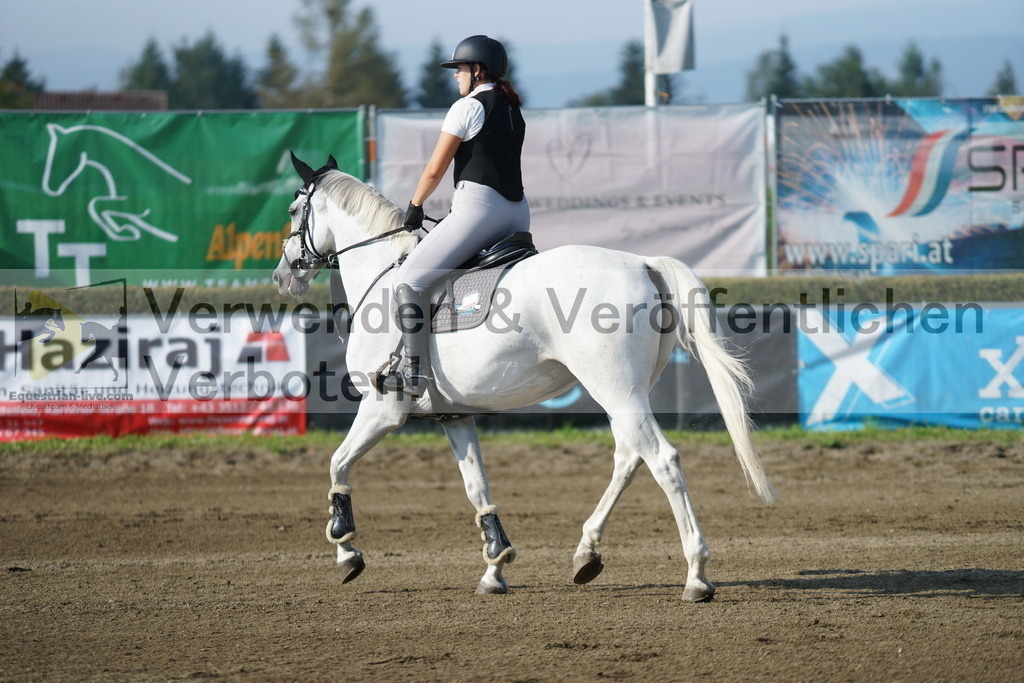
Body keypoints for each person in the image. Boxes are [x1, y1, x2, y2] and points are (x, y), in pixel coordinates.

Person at [380, 35, 529, 397]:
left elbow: (434, 170)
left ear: (477, 71)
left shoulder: (467, 107)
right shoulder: (512, 107)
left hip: (481, 211)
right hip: (518, 214)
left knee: (408, 281)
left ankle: (414, 375)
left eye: (460, 69)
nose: (455, 76)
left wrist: (415, 207)